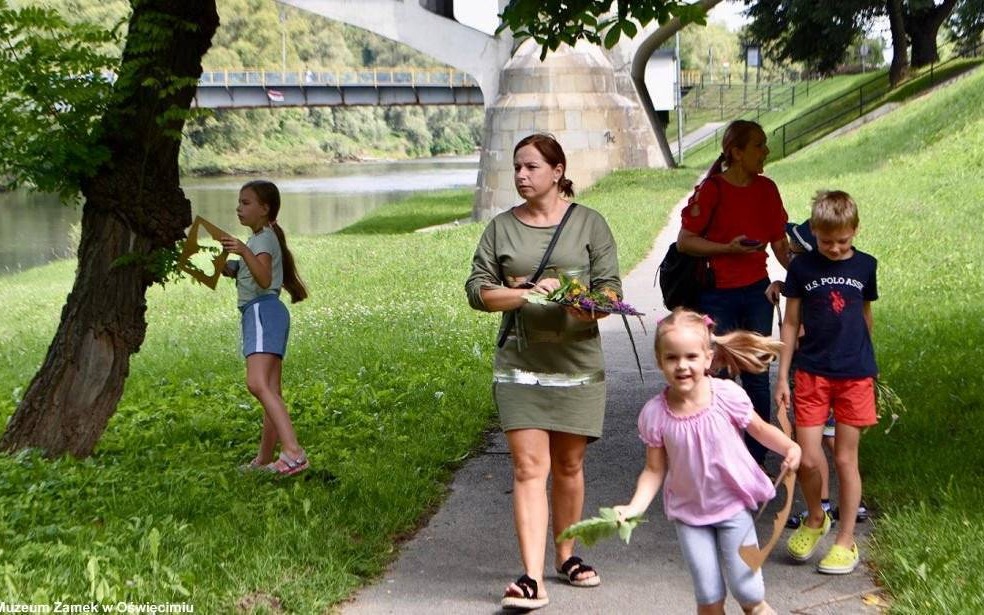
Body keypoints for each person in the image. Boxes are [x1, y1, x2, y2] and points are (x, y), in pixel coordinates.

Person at [465, 133, 621, 611]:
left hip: (576, 365)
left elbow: (611, 292)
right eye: (516, 167)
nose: (520, 176)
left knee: (570, 466)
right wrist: (525, 294)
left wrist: (582, 304)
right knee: (529, 468)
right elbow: (477, 290)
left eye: (531, 167)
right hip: (520, 365)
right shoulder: (500, 229)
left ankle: (567, 555)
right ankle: (531, 577)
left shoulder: (590, 224)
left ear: (557, 172)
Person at [614, 309, 800, 615]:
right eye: (672, 358)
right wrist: (635, 506)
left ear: (708, 359)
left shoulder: (727, 395)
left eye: (691, 356)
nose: (682, 365)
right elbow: (653, 469)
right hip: (690, 515)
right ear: (660, 361)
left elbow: (760, 429)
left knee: (748, 590)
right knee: (709, 595)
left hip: (734, 508)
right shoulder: (655, 414)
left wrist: (789, 447)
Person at [676, 120, 791, 469]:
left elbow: (780, 244)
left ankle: (754, 458)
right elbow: (685, 241)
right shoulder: (713, 190)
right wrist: (727, 248)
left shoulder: (767, 189)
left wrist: (806, 278)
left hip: (757, 293)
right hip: (716, 296)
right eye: (758, 145)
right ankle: (720, 453)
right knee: (719, 376)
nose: (765, 152)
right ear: (736, 152)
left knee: (757, 373)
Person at [775, 190, 878, 575]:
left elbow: (864, 319)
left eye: (842, 241)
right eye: (825, 241)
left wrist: (871, 369)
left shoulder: (866, 266)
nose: (834, 248)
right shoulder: (801, 270)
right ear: (813, 232)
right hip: (812, 372)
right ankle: (817, 517)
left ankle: (846, 541)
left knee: (845, 458)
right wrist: (783, 376)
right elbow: (789, 323)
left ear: (854, 231)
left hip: (854, 375)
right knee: (806, 454)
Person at [220, 180, 310, 476]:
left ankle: (294, 453)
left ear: (264, 208)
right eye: (239, 202)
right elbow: (257, 273)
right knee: (271, 390)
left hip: (261, 312)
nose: (239, 208)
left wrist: (243, 251)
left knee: (256, 384)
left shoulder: (260, 241)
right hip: (269, 312)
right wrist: (231, 267)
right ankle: (265, 460)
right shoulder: (264, 238)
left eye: (246, 203)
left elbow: (262, 278)